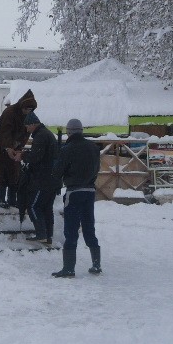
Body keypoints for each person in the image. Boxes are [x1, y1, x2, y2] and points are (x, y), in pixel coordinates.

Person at [50, 118, 101, 277]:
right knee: (89, 227)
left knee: (71, 230)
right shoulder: (93, 147)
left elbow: (56, 173)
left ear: (69, 132)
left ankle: (69, 268)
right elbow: (96, 168)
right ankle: (96, 265)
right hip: (90, 191)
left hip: (74, 192)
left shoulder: (67, 149)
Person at [0, 88, 37, 208]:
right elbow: (5, 131)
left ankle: (12, 199)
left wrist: (20, 146)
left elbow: (27, 132)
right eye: (27, 109)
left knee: (14, 173)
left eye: (30, 109)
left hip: (16, 146)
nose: (28, 111)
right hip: (2, 146)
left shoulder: (27, 116)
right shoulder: (10, 112)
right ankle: (1, 199)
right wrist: (8, 147)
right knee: (2, 172)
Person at [20, 111, 59, 244]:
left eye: (27, 126)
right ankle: (49, 236)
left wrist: (23, 156)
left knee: (33, 206)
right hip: (52, 179)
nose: (26, 129)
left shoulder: (40, 136)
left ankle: (41, 234)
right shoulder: (47, 134)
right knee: (47, 207)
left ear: (32, 124)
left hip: (43, 179)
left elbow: (36, 157)